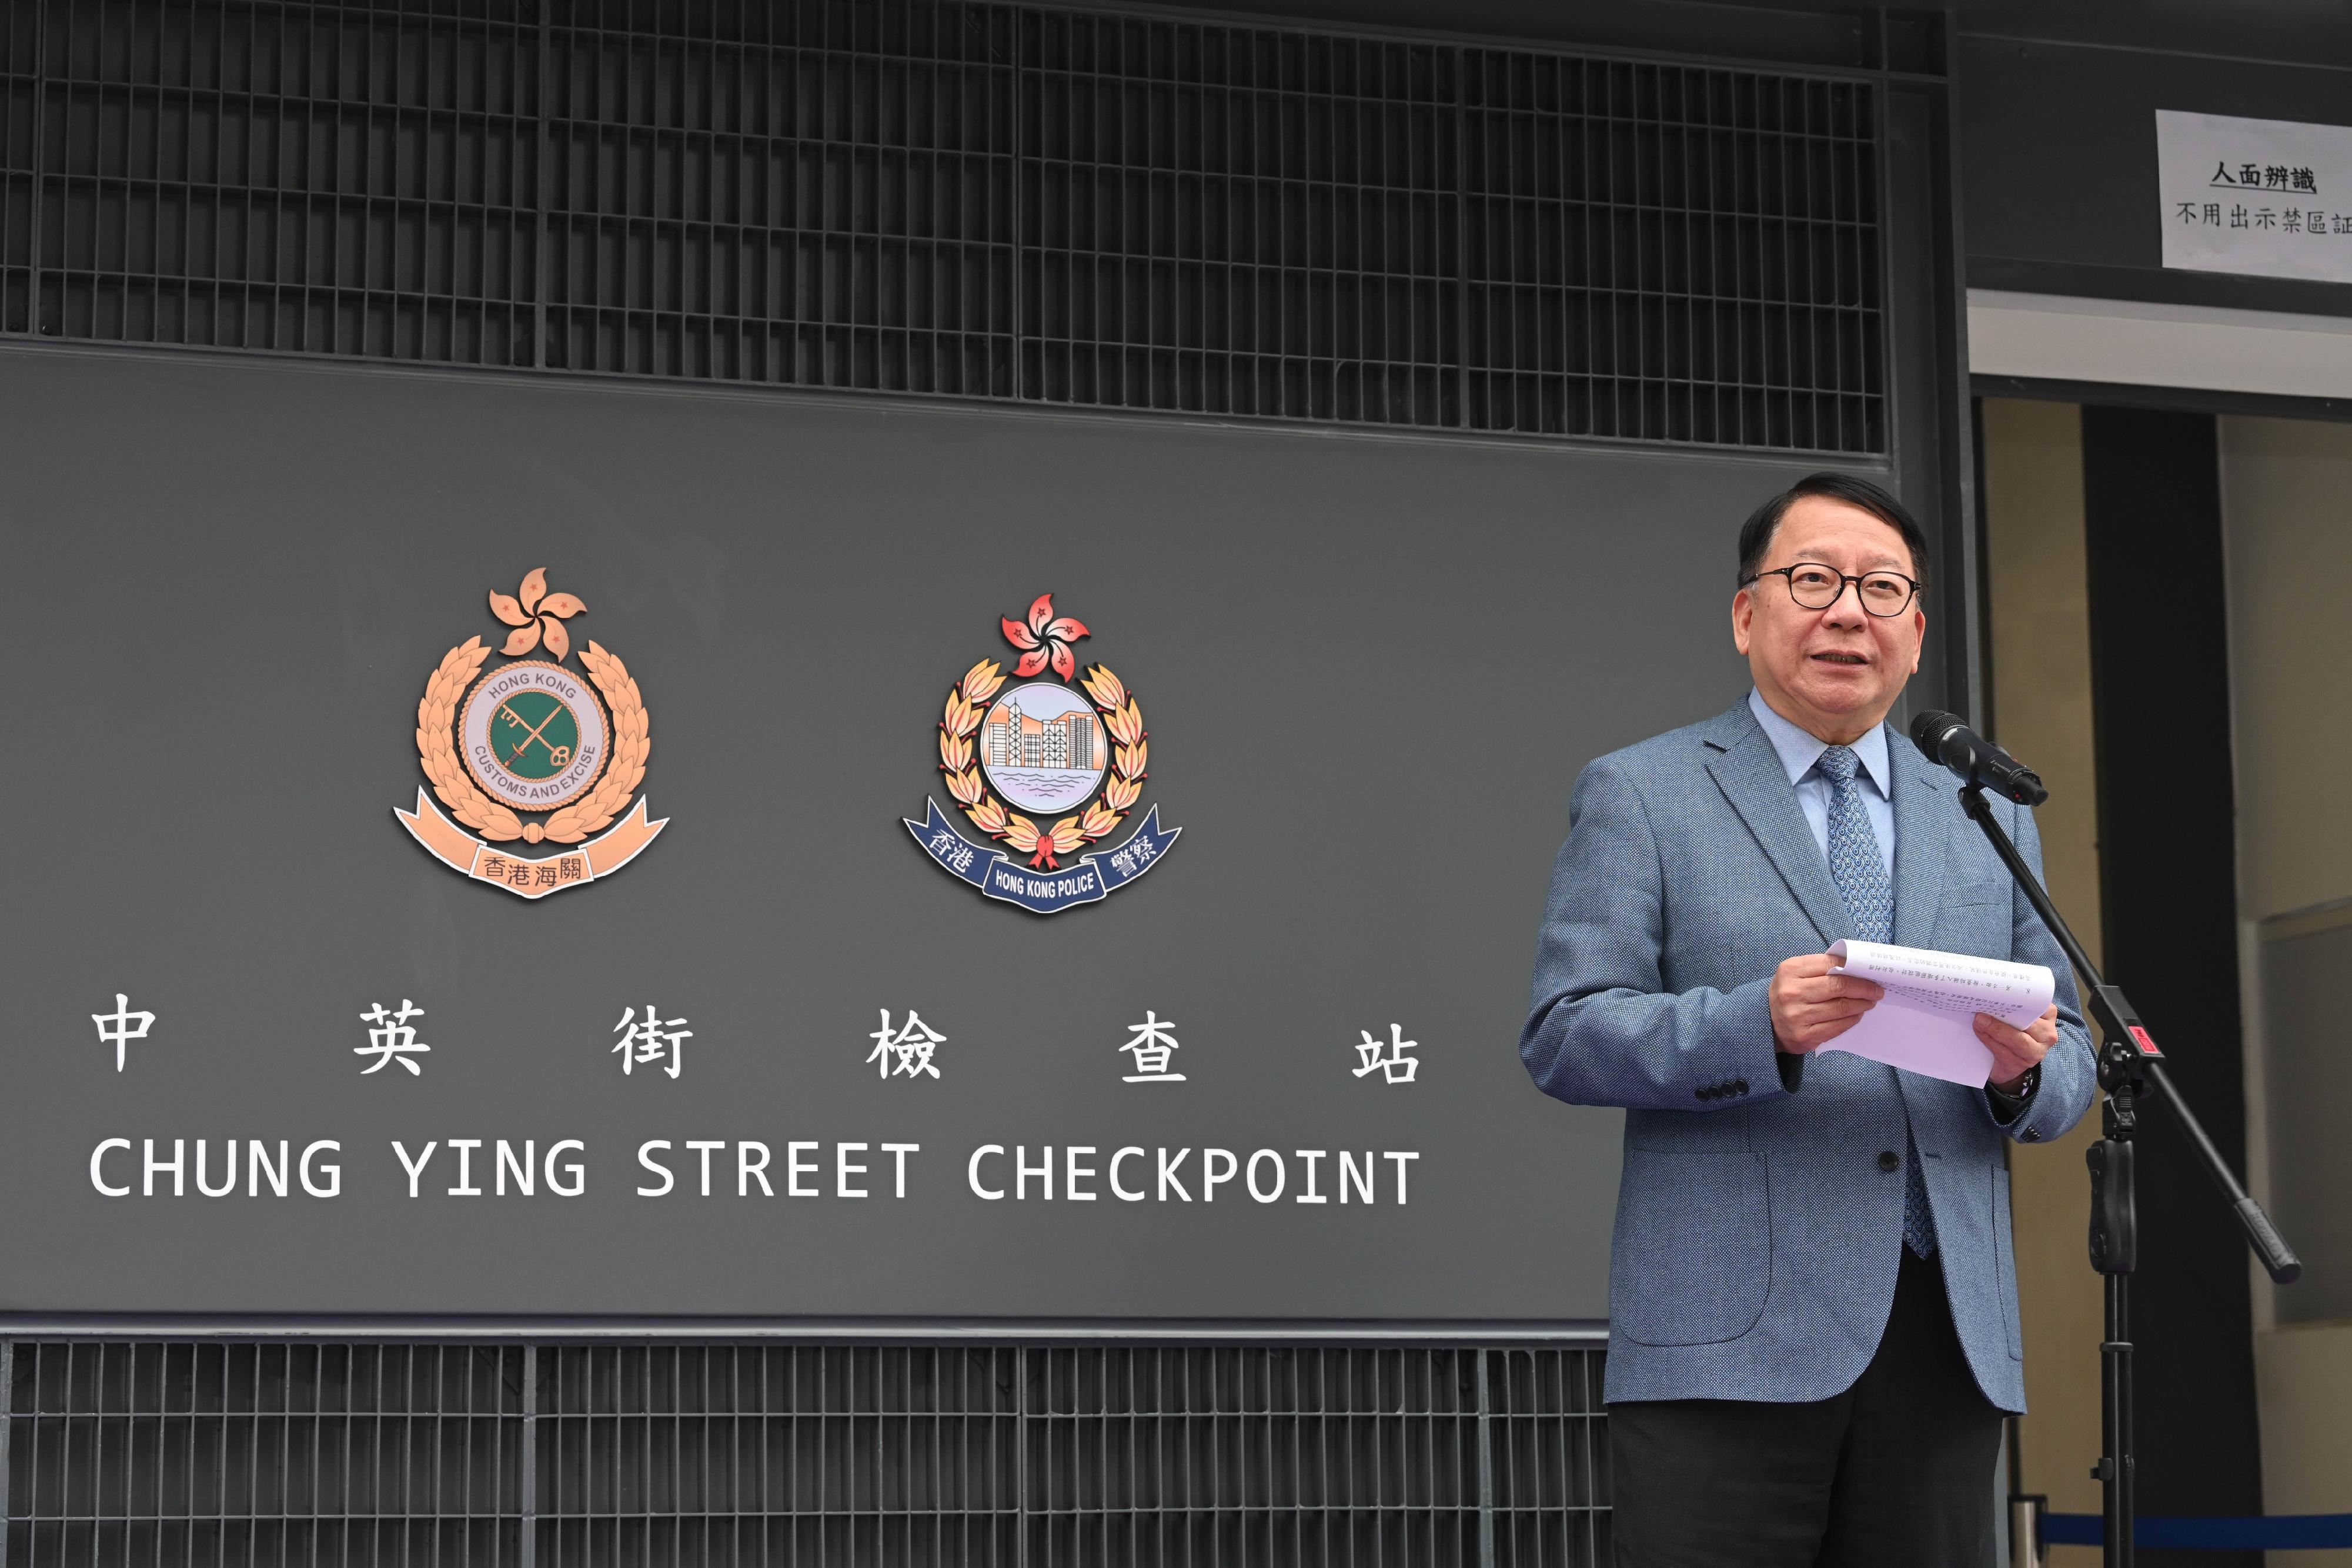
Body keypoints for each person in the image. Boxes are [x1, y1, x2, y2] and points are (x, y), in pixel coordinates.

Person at [1519, 473, 2096, 1567]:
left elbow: (2067, 1051)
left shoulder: (1987, 808)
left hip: (1942, 1335)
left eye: (1882, 590)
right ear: (1747, 615)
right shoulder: (1643, 792)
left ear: (1916, 634)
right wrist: (1759, 1025)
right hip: (1727, 1341)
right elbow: (1566, 1030)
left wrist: (2025, 1073)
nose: (1849, 612)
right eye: (1814, 580)